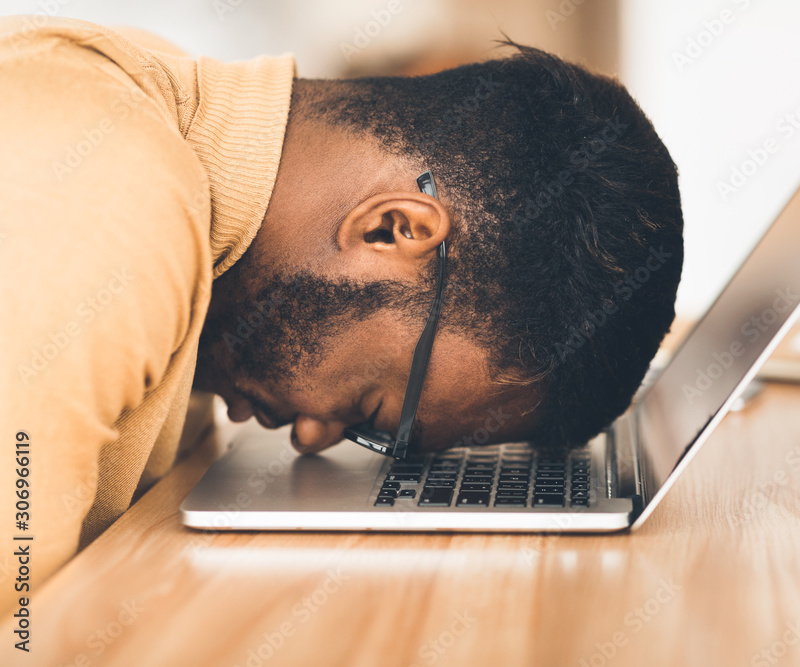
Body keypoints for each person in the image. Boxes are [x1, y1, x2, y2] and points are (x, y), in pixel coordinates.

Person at [0, 15, 683, 612]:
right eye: (368, 412)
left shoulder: (166, 122)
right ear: (392, 229)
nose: (311, 436)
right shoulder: (113, 192)